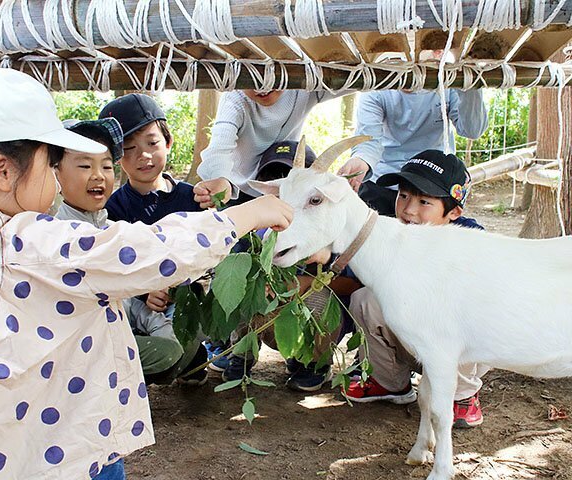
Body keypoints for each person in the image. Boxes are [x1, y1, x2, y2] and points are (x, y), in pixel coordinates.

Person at [0, 67, 292, 479]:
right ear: (2, 172)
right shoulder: (29, 243)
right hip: (62, 448)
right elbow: (145, 251)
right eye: (52, 165)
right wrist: (242, 216)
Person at [346, 149, 488, 428]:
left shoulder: (472, 242)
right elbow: (355, 279)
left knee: (463, 309)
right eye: (403, 196)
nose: (409, 210)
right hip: (410, 342)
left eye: (424, 201)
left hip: (456, 345)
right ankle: (390, 382)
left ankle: (462, 395)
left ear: (454, 212)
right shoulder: (387, 233)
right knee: (365, 300)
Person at [54, 118, 191, 386]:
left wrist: (163, 330)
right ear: (56, 173)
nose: (98, 175)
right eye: (84, 166)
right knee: (166, 352)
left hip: (120, 330)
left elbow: (129, 304)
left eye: (106, 166)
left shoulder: (115, 230)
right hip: (80, 351)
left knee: (182, 345)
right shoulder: (58, 234)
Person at [219, 141, 362, 392]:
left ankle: (313, 362)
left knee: (320, 297)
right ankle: (241, 355)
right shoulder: (256, 233)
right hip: (270, 321)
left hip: (316, 323)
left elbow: (354, 284)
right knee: (242, 284)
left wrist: (316, 271)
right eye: (279, 187)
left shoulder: (334, 229)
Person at [99, 94, 208, 385]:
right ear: (116, 158)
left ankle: (190, 354)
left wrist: (179, 284)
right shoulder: (113, 208)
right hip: (135, 302)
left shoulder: (192, 198)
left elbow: (206, 254)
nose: (143, 156)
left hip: (185, 297)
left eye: (152, 143)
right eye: (129, 149)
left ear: (168, 143)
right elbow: (115, 265)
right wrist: (143, 292)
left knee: (189, 344)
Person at [193, 89, 363, 208]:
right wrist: (219, 178)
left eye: (271, 75)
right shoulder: (235, 99)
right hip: (240, 190)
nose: (262, 87)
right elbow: (220, 144)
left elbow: (351, 80)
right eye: (251, 79)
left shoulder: (303, 85)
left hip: (283, 182)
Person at [339, 89, 488, 216]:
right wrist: (361, 160)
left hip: (432, 184)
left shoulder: (448, 81)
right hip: (384, 181)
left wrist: (471, 88)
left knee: (429, 245)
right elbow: (369, 140)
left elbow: (472, 130)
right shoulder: (377, 84)